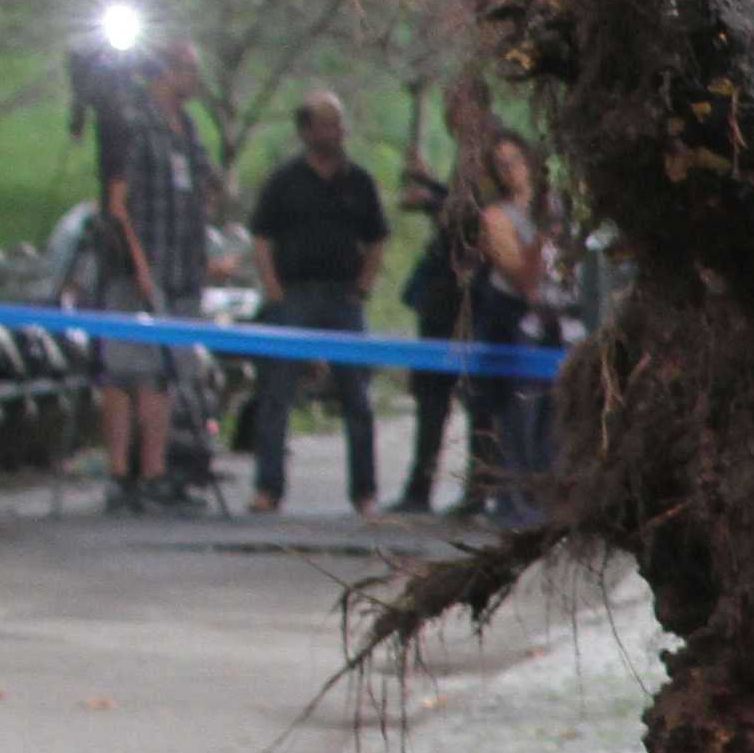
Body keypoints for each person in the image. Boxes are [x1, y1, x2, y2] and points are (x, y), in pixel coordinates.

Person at [78, 35, 215, 514]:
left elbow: (201, 190)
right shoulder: (133, 124)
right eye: (189, 68)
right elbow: (117, 204)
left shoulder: (188, 128)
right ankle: (120, 473)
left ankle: (156, 471)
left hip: (181, 269)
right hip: (136, 268)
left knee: (164, 376)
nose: (195, 79)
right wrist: (138, 264)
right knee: (123, 371)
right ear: (168, 70)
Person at [241, 92, 390, 516]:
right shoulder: (286, 181)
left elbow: (377, 238)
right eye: (327, 124)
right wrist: (272, 289)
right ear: (306, 131)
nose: (337, 132)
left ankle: (364, 491)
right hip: (295, 297)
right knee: (277, 395)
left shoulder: (358, 181)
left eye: (340, 123)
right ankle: (269, 487)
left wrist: (363, 285)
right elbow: (261, 238)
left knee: (356, 399)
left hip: (342, 298)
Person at [461, 134, 572, 529]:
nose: (512, 171)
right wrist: (540, 245)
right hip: (515, 318)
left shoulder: (559, 205)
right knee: (519, 408)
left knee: (557, 408)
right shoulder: (496, 217)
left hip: (562, 317)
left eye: (517, 161)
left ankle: (549, 495)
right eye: (502, 165)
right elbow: (521, 277)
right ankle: (514, 498)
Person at [390, 153, 469, 510]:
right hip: (440, 300)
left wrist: (432, 200)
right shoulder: (466, 157)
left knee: (474, 398)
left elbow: (471, 219)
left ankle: (481, 490)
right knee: (432, 397)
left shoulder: (489, 155)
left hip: (465, 299)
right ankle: (420, 485)